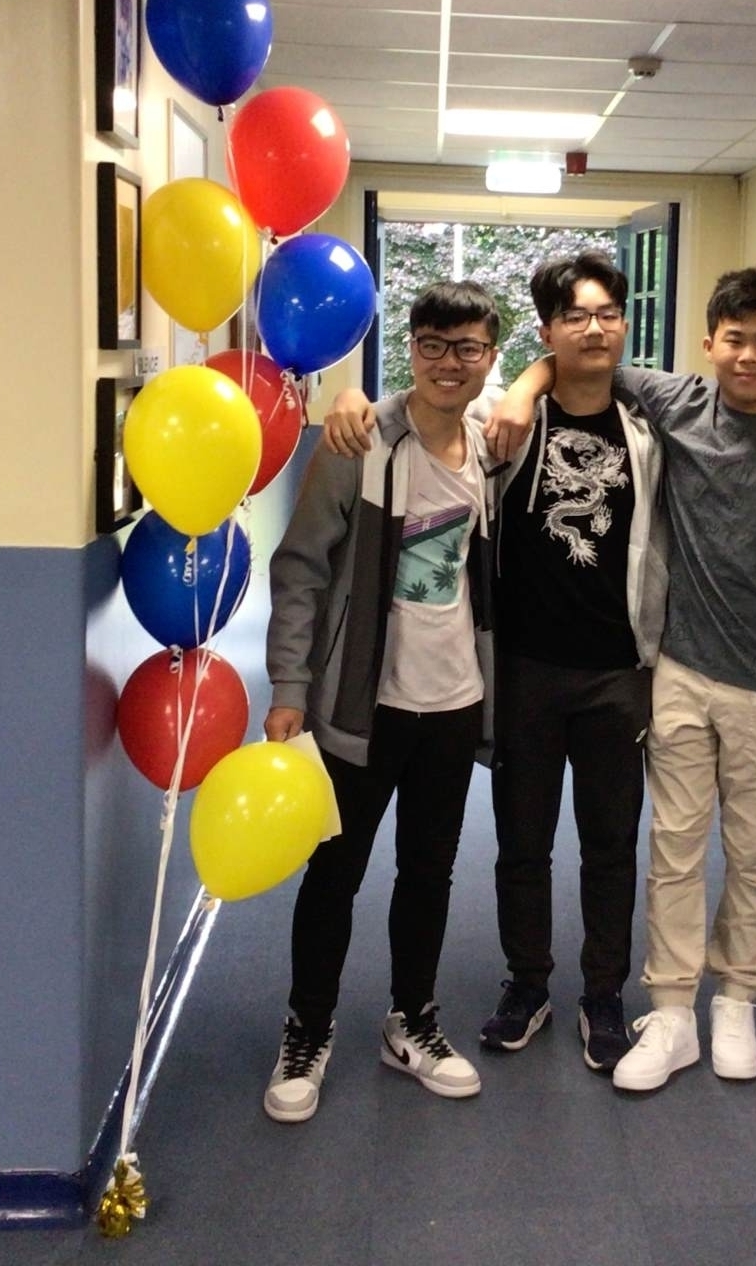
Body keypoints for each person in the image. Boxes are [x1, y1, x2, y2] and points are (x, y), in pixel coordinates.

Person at [492, 267, 756, 1093]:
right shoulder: (677, 403)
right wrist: (522, 383)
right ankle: (669, 1010)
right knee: (673, 849)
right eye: (735, 340)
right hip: (679, 671)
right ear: (708, 344)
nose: (749, 356)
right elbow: (575, 359)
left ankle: (736, 1000)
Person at [258, 280, 500, 1124]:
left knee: (429, 873)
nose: (448, 363)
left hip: (454, 702)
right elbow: (301, 569)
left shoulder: (492, 448)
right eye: (432, 344)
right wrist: (290, 687)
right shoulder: (357, 442)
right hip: (361, 705)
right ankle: (307, 1029)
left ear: (489, 358)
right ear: (411, 350)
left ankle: (413, 1021)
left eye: (466, 347)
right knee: (335, 872)